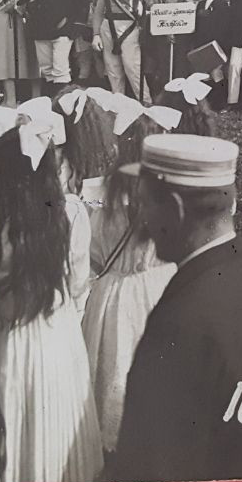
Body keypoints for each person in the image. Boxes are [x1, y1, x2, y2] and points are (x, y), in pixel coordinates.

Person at [109, 135, 242, 482]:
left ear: (176, 208)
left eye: (146, 204)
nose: (143, 220)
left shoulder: (178, 321)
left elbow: (148, 467)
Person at [0, 99, 102, 482]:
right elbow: (78, 286)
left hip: (1, 340)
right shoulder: (69, 212)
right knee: (54, 435)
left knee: (6, 435)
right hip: (58, 341)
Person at [81, 101, 181, 461]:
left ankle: (114, 438)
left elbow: (93, 252)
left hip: (114, 294)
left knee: (113, 365)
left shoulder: (102, 198)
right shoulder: (171, 196)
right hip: (159, 285)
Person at [22, 0, 92, 95]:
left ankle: (63, 103)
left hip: (64, 28)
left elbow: (83, 1)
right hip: (41, 28)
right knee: (46, 68)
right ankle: (51, 103)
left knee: (60, 68)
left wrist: (74, 25)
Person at [90, 0, 147, 100]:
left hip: (129, 26)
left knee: (133, 67)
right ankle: (118, 103)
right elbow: (98, 11)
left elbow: (143, 9)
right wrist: (96, 35)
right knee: (113, 69)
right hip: (108, 26)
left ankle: (145, 101)